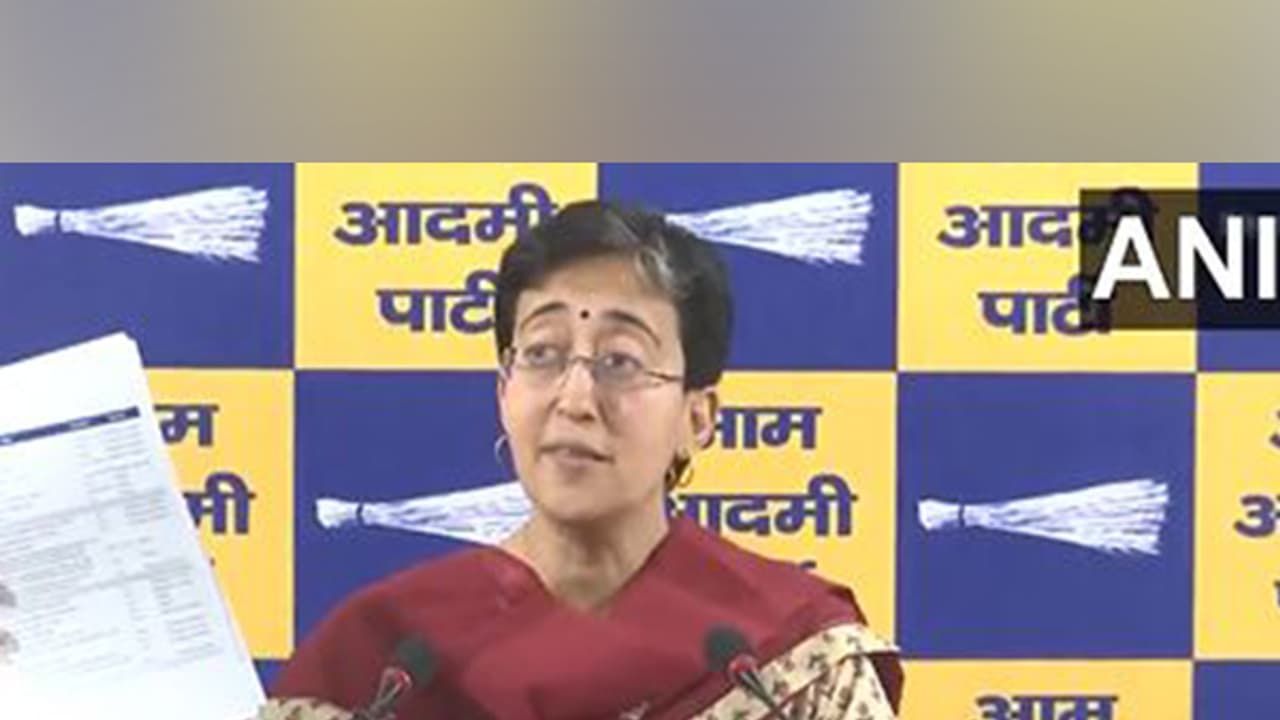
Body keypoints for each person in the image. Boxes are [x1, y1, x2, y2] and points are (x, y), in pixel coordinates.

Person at [270, 200, 904, 719]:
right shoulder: (387, 659)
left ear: (697, 417)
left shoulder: (781, 658)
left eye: (620, 361)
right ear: (503, 392)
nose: (574, 400)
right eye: (542, 354)